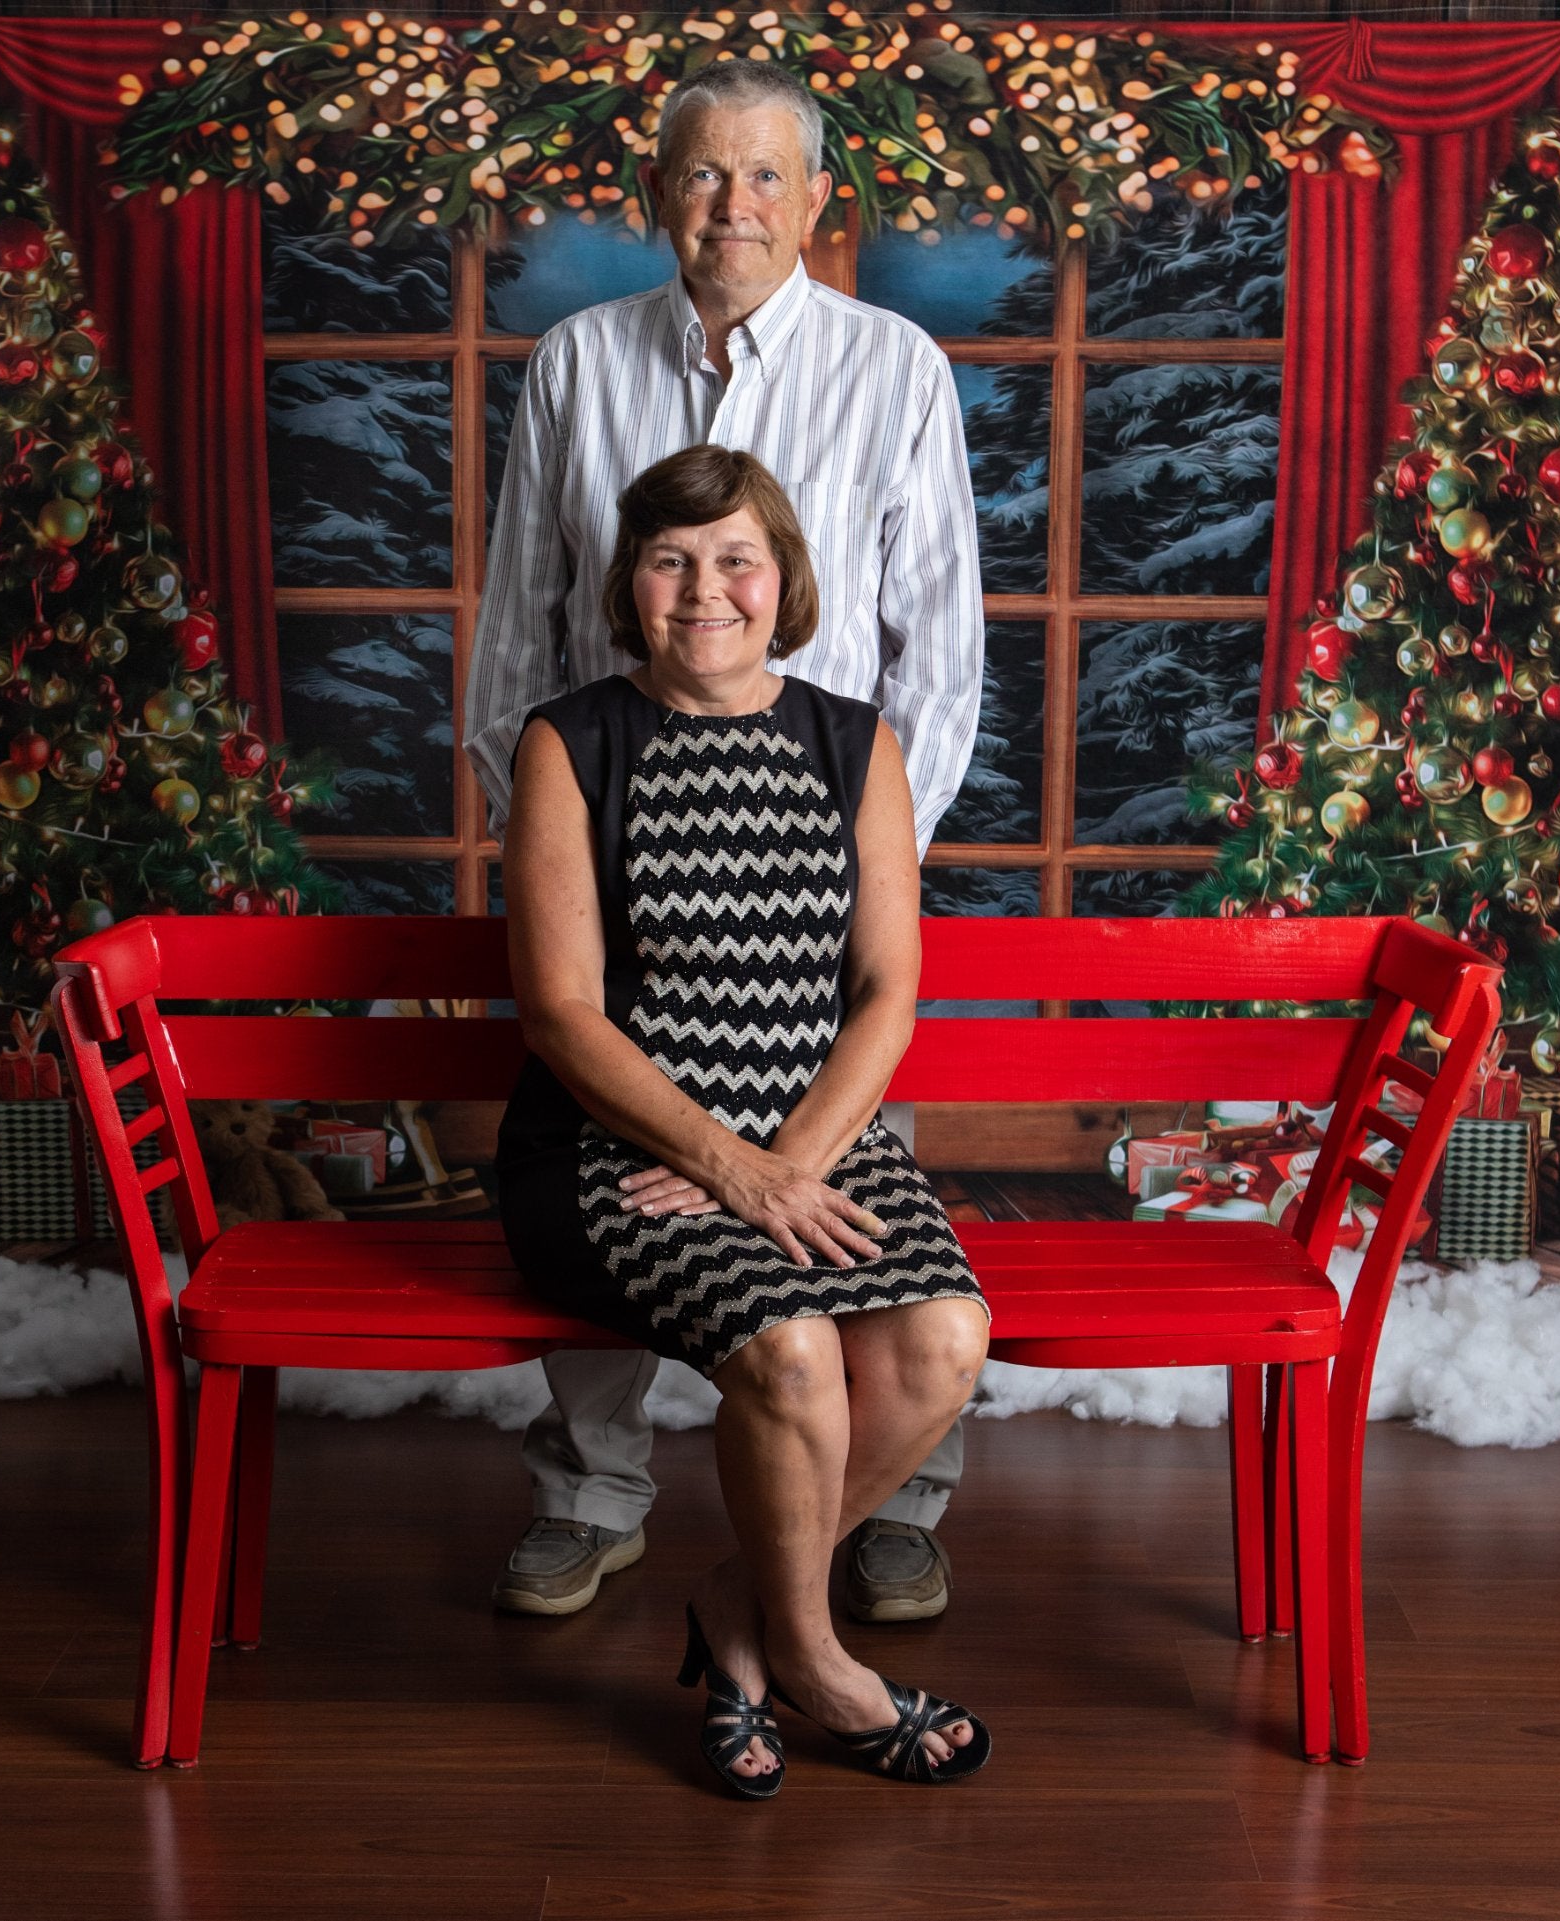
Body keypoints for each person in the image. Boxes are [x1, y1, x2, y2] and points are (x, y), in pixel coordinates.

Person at [464, 58, 984, 1627]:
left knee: (851, 1197)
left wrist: (846, 860)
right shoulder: (574, 361)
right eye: (703, 174)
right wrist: (561, 843)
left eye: (768, 177)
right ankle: (596, 1486)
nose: (734, 205)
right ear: (655, 194)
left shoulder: (895, 367)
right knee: (626, 1146)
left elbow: (937, 654)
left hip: (823, 851)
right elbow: (522, 633)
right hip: (615, 839)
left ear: (820, 201)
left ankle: (877, 1502)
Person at [497, 443, 991, 1795]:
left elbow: (889, 995)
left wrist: (786, 1166)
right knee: (789, 1348)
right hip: (615, 1158)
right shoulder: (572, 740)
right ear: (629, 582)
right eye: (669, 558)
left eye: (734, 560)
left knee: (944, 1335)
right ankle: (822, 1660)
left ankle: (736, 1606)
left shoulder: (852, 742)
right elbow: (561, 1013)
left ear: (783, 581)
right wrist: (726, 1167)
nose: (703, 588)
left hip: (815, 1143)